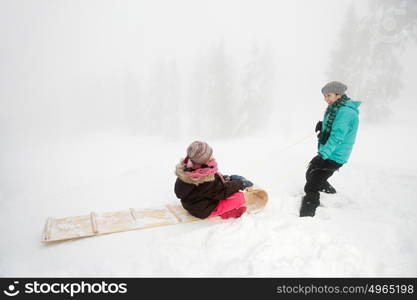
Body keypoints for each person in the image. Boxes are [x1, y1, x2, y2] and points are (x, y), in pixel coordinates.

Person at [300, 81, 361, 217]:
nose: (325, 99)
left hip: (336, 155)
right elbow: (334, 128)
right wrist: (322, 126)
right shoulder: (336, 108)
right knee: (311, 173)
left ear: (338, 95)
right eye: (324, 96)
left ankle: (306, 216)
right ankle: (333, 195)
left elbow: (337, 137)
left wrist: (322, 156)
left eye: (328, 95)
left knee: (311, 185)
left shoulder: (346, 113)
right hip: (330, 152)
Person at [174, 141, 253, 219]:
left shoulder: (190, 171)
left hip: (191, 205)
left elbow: (215, 183)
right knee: (239, 197)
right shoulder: (204, 180)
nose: (212, 156)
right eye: (209, 155)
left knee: (228, 193)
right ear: (203, 160)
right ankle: (227, 213)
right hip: (204, 210)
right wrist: (240, 184)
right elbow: (222, 192)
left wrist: (228, 178)